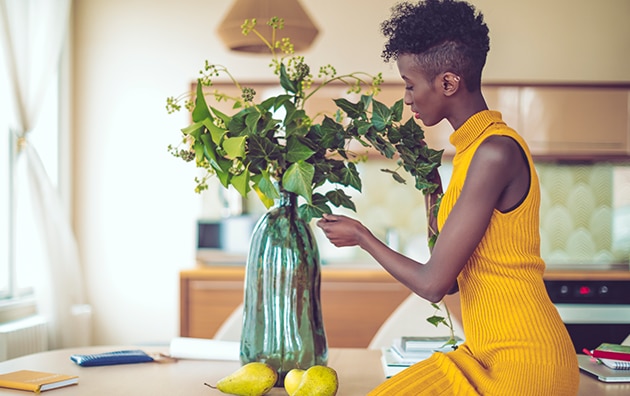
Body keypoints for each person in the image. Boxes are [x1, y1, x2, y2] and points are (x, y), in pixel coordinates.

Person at [316, 0, 580, 394]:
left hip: (524, 363)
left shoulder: (495, 152)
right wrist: (432, 192)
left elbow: (434, 283)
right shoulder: (470, 153)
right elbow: (455, 280)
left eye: (409, 84)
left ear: (448, 83)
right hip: (483, 356)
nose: (406, 99)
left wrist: (363, 238)